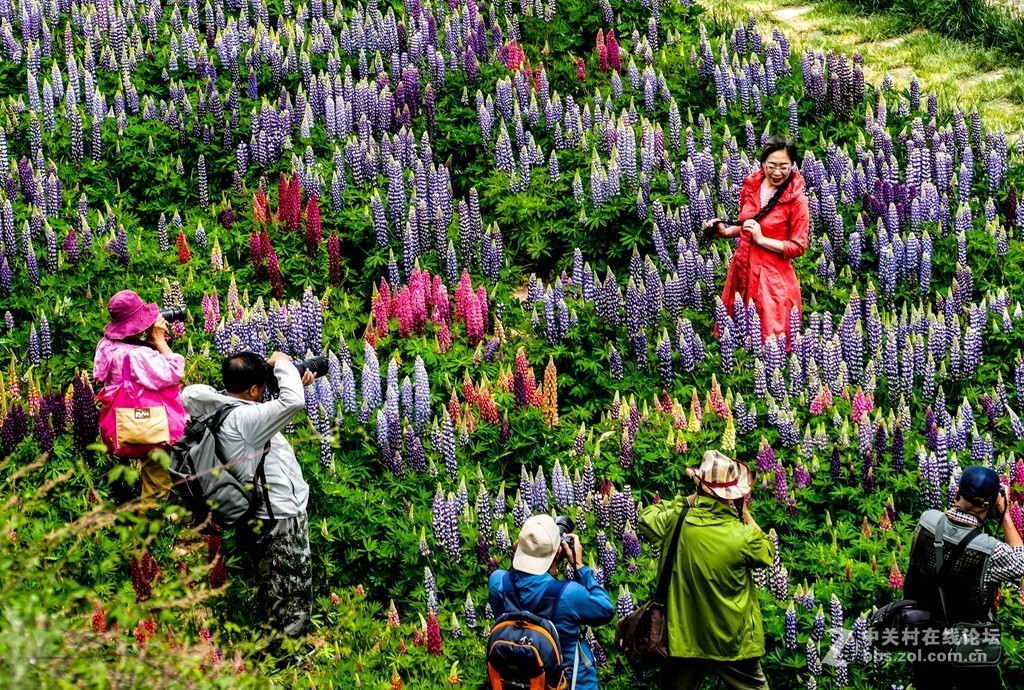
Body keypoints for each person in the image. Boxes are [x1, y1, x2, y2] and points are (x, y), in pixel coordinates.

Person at [181, 351, 315, 649]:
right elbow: (291, 403)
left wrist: (292, 380)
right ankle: (289, 656)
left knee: (272, 582)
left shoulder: (214, 407)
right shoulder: (245, 419)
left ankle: (275, 642)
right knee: (290, 586)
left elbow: (251, 409)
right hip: (278, 514)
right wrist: (283, 365)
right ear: (254, 389)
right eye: (261, 387)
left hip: (253, 511)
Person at [639, 450, 774, 690]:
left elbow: (646, 517)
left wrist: (688, 500)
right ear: (732, 494)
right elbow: (768, 551)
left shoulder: (676, 521)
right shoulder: (743, 535)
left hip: (683, 636)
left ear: (700, 486)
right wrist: (745, 513)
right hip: (732, 640)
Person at [904, 466, 1024, 689]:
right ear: (988, 506)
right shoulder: (991, 550)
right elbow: (1020, 561)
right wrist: (1005, 514)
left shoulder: (926, 520)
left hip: (925, 637)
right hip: (972, 646)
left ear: (957, 492)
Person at [489, 514, 615, 689]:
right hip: (568, 683)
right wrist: (579, 566)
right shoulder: (569, 594)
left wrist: (523, 557)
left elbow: (513, 594)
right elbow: (606, 610)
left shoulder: (497, 582)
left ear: (518, 549)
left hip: (516, 679)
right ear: (557, 553)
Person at [706, 136, 809, 344]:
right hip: (742, 268)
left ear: (792, 166)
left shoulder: (797, 200)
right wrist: (725, 232)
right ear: (763, 163)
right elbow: (748, 225)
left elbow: (798, 247)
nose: (777, 172)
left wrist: (762, 240)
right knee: (736, 338)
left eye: (784, 166)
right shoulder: (752, 186)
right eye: (772, 165)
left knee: (770, 343)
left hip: (771, 278)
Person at [94, 289, 185, 501]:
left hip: (122, 421)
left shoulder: (106, 346)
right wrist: (159, 340)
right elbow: (174, 371)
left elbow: (99, 374)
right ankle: (149, 525)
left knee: (146, 465)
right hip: (148, 424)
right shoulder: (139, 355)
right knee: (157, 474)